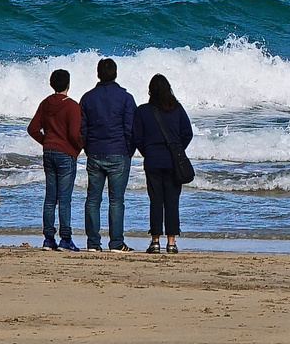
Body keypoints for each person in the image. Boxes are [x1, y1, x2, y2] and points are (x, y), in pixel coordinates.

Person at [81, 57, 138, 253]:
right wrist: (129, 151)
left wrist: (88, 148)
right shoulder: (126, 98)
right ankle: (116, 243)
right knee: (116, 200)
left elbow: (83, 129)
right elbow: (130, 129)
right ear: (115, 74)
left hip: (95, 151)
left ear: (98, 74)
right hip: (119, 152)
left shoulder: (87, 98)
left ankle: (93, 243)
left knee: (93, 199)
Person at [132, 73, 193, 254]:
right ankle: (172, 242)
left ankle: (155, 241)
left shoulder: (142, 111)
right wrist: (178, 149)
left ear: (150, 91)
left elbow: (137, 137)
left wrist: (148, 151)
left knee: (156, 201)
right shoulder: (177, 109)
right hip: (173, 162)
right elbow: (187, 133)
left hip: (152, 161)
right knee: (172, 201)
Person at [27, 68, 83, 251]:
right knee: (64, 198)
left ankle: (48, 238)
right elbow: (75, 134)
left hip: (49, 151)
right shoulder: (72, 106)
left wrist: (46, 142)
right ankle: (65, 238)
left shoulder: (46, 103)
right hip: (66, 153)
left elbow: (32, 129)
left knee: (50, 197)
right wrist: (78, 147)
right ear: (68, 84)